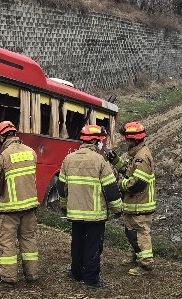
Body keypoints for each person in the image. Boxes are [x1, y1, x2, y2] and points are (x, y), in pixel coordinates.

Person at [58, 124, 122, 289]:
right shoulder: (100, 160)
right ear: (94, 141)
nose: (101, 144)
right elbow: (111, 188)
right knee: (93, 246)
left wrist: (64, 206)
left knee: (77, 243)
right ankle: (91, 279)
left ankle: (76, 272)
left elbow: (61, 187)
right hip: (95, 215)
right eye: (100, 141)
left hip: (75, 214)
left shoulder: (68, 159)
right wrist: (117, 209)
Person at [0, 121, 40, 286]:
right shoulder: (31, 152)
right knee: (28, 239)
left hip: (9, 208)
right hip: (29, 207)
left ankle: (8, 278)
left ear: (1, 136)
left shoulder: (2, 155)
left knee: (6, 242)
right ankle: (32, 275)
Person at [115, 121, 156, 275]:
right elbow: (128, 171)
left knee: (140, 233)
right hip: (134, 203)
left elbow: (138, 183)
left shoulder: (142, 157)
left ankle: (146, 264)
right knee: (131, 232)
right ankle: (137, 255)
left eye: (126, 138)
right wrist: (115, 161)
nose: (125, 141)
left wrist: (120, 185)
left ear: (133, 139)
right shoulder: (137, 154)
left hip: (141, 203)